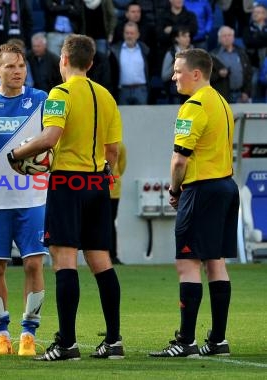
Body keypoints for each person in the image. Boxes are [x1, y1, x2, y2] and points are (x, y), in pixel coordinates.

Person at [7, 34, 124, 361]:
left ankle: (67, 343)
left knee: (64, 260)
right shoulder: (106, 97)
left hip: (67, 182)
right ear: (90, 63)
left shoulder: (60, 93)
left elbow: (50, 137)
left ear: (63, 60)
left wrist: (18, 153)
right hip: (98, 182)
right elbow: (112, 150)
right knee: (101, 260)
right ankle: (113, 340)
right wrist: (105, 174)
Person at [149, 48, 238, 358]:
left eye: (177, 70)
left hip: (201, 189)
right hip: (226, 186)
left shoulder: (194, 104)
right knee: (216, 263)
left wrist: (175, 190)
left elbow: (179, 160)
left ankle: (185, 341)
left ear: (196, 74)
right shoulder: (223, 103)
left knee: (187, 264)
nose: (173, 76)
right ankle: (218, 340)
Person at [0, 42, 48, 356]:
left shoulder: (41, 99)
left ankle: (28, 334)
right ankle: (1, 335)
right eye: (10, 66)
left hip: (33, 198)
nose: (17, 72)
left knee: (33, 263)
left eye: (21, 66)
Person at [109, 141, 126, 265]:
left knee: (108, 223)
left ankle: (111, 255)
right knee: (109, 223)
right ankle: (111, 255)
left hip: (111, 190)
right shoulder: (119, 145)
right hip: (111, 189)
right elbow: (122, 166)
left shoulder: (119, 145)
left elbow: (122, 166)